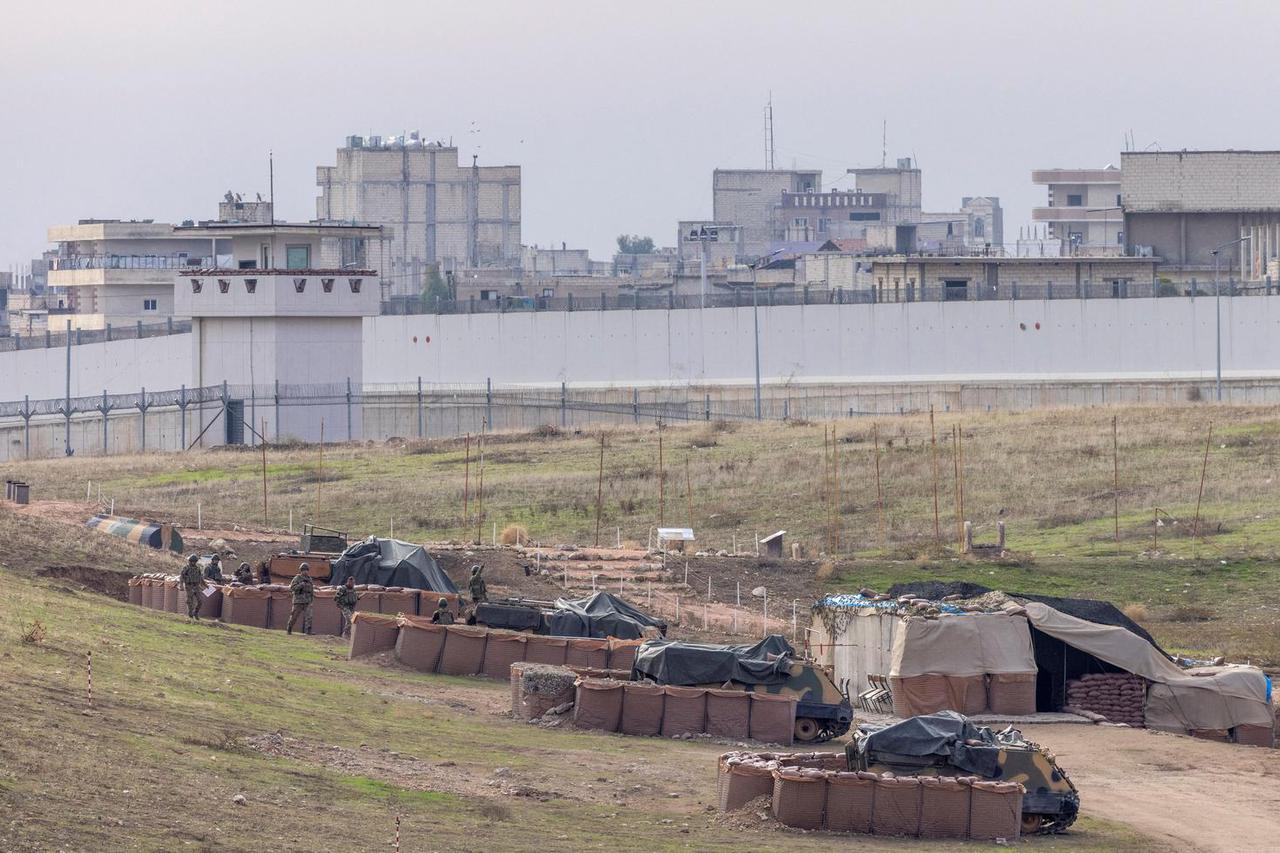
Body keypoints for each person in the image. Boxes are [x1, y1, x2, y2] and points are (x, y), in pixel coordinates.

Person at [286, 563, 315, 635]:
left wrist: (311, 600)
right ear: (301, 571)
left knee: (309, 617)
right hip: (298, 601)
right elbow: (292, 588)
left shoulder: (309, 579)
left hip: (307, 601)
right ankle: (289, 629)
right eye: (304, 570)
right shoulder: (297, 578)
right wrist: (301, 585)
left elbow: (311, 590)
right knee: (294, 617)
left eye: (307, 570)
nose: (306, 572)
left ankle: (308, 632)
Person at [179, 554, 205, 620]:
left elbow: (200, 577)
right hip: (189, 586)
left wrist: (205, 584)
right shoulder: (186, 568)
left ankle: (195, 613)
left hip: (196, 586)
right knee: (189, 601)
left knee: (200, 601)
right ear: (189, 561)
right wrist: (181, 585)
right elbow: (181, 577)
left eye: (194, 561)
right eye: (192, 561)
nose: (193, 563)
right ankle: (190, 614)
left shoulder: (197, 568)